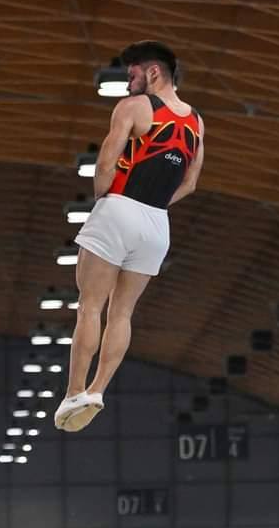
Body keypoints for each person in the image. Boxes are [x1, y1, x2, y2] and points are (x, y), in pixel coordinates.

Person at [55, 40, 205, 432]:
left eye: (132, 74)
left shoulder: (134, 108)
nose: (128, 83)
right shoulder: (196, 122)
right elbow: (191, 182)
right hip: (158, 224)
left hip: (120, 207)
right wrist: (154, 205)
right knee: (123, 312)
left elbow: (106, 161)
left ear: (153, 72)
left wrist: (106, 198)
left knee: (90, 306)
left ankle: (74, 392)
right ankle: (99, 389)